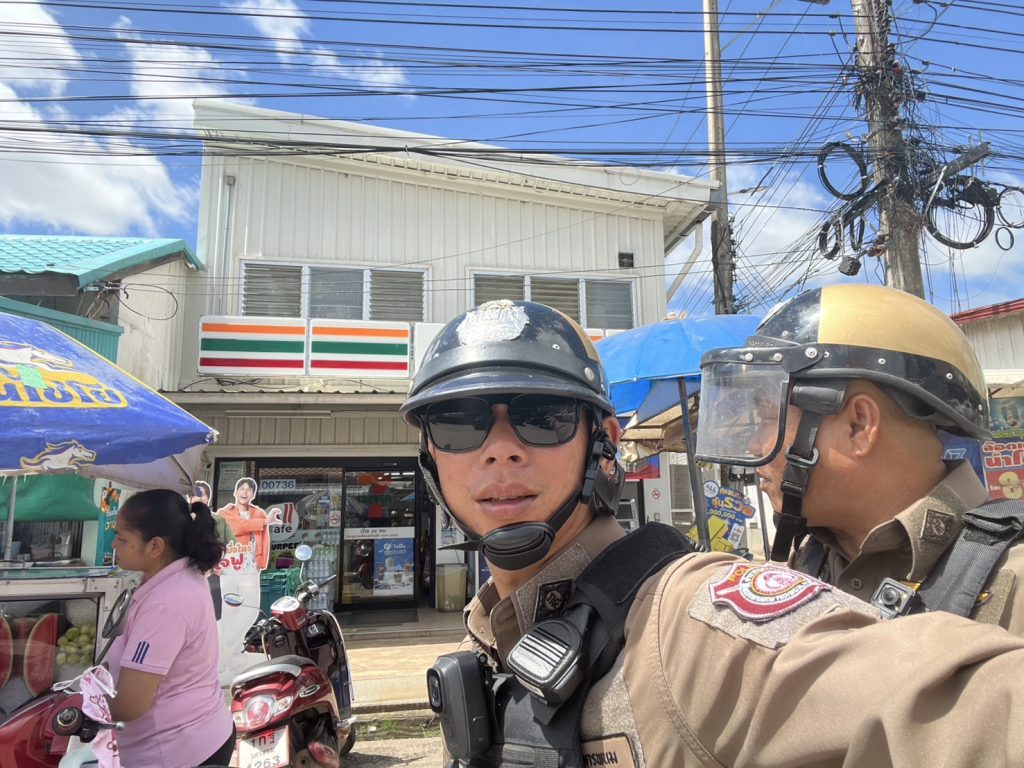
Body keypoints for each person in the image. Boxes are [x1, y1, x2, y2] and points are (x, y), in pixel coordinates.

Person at [401, 298, 1024, 767]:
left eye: (544, 418)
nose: (500, 450)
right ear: (429, 454)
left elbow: (961, 709)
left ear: (602, 444)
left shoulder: (687, 620)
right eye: (458, 424)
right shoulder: (494, 623)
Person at [693, 283, 1024, 631]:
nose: (754, 445)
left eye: (768, 417)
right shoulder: (810, 560)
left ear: (859, 426)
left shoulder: (1013, 580)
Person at [108, 489, 235, 768]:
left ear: (155, 546)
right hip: (196, 733)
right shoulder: (176, 577)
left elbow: (130, 703)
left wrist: (78, 706)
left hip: (177, 750)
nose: (114, 544)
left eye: (122, 538)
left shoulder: (166, 604)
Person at [216, 477, 280, 570]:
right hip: (231, 562)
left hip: (252, 564)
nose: (245, 492)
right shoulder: (224, 513)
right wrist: (264, 522)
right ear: (235, 492)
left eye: (249, 490)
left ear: (253, 495)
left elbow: (264, 540)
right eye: (242, 489)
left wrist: (261, 563)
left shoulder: (259, 513)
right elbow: (236, 528)